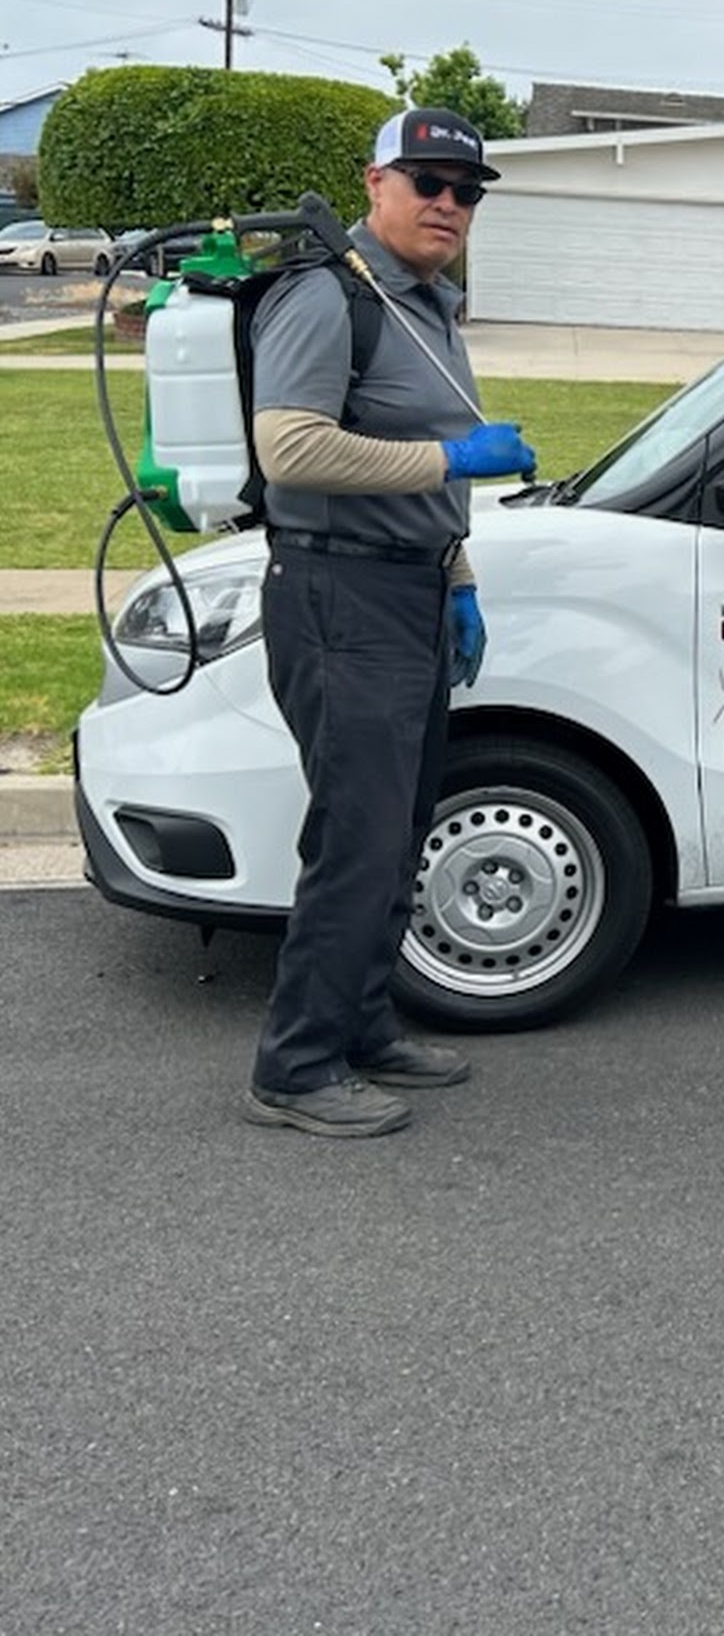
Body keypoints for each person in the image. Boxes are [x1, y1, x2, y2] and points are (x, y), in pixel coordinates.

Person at [239, 106, 536, 1137]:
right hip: (337, 594)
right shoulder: (328, 296)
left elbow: (425, 481)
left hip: (410, 592)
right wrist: (450, 459)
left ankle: (362, 1026)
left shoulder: (428, 305)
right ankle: (295, 1065)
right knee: (357, 839)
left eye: (467, 191)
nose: (450, 203)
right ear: (375, 184)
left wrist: (457, 573)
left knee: (401, 829)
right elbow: (289, 447)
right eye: (428, 183)